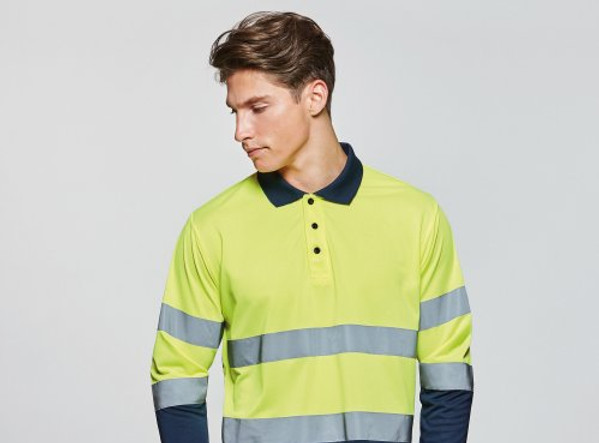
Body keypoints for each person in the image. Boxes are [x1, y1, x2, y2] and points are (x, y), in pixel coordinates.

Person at [150, 10, 474, 443]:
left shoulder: (417, 217)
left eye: (257, 108)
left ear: (315, 97)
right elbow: (177, 377)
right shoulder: (211, 228)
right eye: (235, 112)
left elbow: (448, 377)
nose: (240, 131)